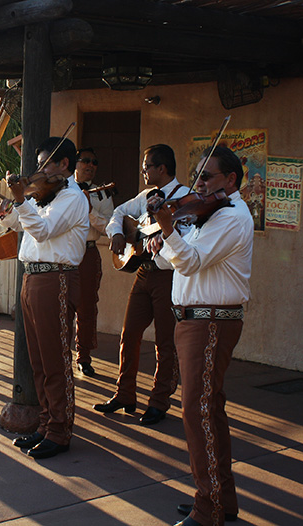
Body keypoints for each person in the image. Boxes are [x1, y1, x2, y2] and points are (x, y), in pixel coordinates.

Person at [147, 146, 252, 526]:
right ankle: (221, 498)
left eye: (206, 176)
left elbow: (190, 262)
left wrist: (169, 231)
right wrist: (162, 239)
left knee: (197, 411)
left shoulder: (231, 217)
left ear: (230, 180)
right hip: (194, 320)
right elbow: (173, 259)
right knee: (209, 409)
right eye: (197, 175)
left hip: (210, 322)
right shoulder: (205, 213)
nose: (199, 183)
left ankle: (208, 509)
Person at [0, 137, 89, 459]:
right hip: (33, 276)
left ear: (64, 165)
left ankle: (60, 430)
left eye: (45, 164)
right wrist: (11, 208)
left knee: (54, 359)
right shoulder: (46, 196)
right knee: (38, 360)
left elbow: (41, 231)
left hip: (56, 279)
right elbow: (18, 223)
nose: (39, 172)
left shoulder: (72, 198)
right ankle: (46, 423)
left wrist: (21, 200)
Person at [94, 144, 189, 425]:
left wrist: (166, 231)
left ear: (162, 169)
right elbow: (118, 213)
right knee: (129, 335)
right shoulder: (146, 196)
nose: (143, 171)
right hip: (143, 273)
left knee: (165, 341)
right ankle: (125, 394)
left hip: (168, 278)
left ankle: (160, 402)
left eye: (147, 166)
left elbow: (185, 238)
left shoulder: (184, 198)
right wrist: (117, 233)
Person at [73, 147, 114, 377]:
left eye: (94, 162)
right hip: (64, 252)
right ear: (75, 164)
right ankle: (59, 352)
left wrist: (89, 211)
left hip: (88, 253)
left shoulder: (102, 193)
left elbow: (110, 228)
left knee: (87, 306)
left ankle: (84, 355)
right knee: (62, 304)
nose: (90, 166)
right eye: (85, 161)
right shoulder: (63, 189)